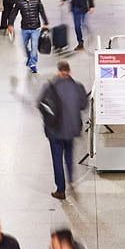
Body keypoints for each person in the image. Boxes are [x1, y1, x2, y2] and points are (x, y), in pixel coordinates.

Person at [37, 60, 89, 200]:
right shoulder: (78, 87)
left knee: (57, 159)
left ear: (59, 71)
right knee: (69, 156)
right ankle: (71, 179)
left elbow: (40, 104)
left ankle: (61, 190)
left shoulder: (50, 86)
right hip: (71, 130)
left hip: (55, 130)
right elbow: (84, 105)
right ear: (69, 71)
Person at [14, 0, 48, 74]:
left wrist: (46, 22)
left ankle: (33, 64)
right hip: (24, 28)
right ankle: (29, 57)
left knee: (34, 47)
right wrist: (10, 24)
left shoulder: (37, 0)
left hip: (35, 28)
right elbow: (14, 13)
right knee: (23, 45)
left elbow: (41, 10)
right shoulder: (19, 2)